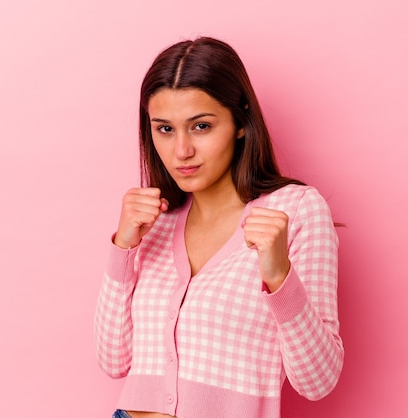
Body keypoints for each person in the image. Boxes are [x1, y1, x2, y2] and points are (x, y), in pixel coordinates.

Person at [94, 37, 343, 418]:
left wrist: (279, 276)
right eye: (164, 129)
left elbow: (317, 382)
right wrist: (123, 249)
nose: (181, 151)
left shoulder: (295, 210)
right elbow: (113, 360)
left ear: (240, 122)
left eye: (201, 126)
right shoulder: (154, 223)